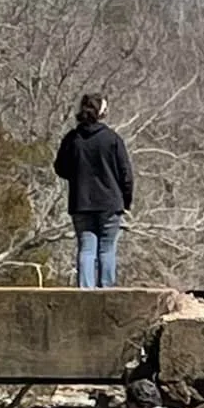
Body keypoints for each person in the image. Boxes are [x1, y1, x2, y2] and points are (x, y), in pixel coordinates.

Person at [54, 93, 134, 288]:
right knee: (107, 249)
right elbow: (126, 174)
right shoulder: (112, 139)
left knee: (86, 249)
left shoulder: (72, 139)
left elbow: (60, 168)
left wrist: (78, 176)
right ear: (101, 113)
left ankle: (85, 291)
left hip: (81, 202)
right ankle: (106, 290)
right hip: (110, 202)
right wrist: (126, 201)